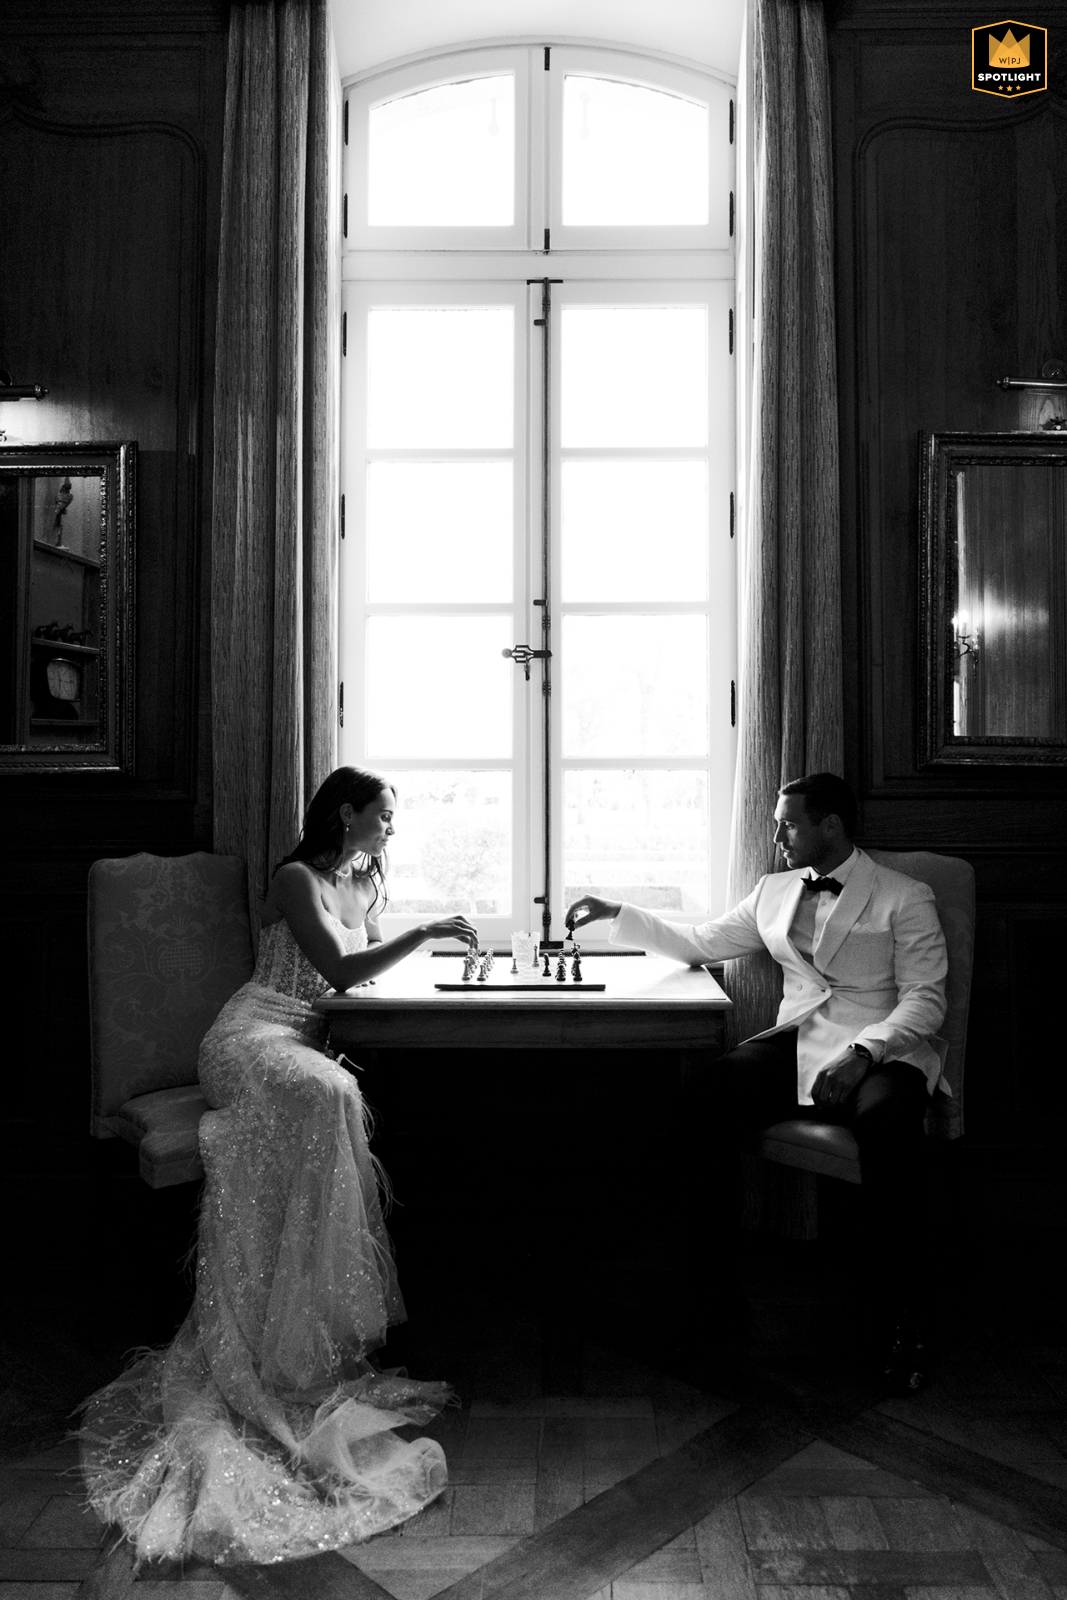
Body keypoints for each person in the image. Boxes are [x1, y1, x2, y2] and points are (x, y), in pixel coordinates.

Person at [81, 767, 478, 1565]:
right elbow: (339, 975)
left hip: (305, 1045)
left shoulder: (362, 885)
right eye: (384, 815)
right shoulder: (294, 877)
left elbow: (357, 985)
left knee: (331, 1088)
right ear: (344, 813)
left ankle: (307, 1318)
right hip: (251, 1039)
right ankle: (256, 1328)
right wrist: (428, 932)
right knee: (331, 1090)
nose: (391, 829)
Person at [565, 772, 948, 1394]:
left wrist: (863, 1051)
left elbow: (926, 1002)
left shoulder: (906, 895)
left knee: (889, 1127)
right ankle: (716, 1306)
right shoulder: (773, 890)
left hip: (884, 1048)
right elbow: (702, 943)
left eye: (788, 823)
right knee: (704, 1103)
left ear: (831, 826)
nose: (776, 836)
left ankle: (898, 1322)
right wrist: (621, 915)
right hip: (797, 1040)